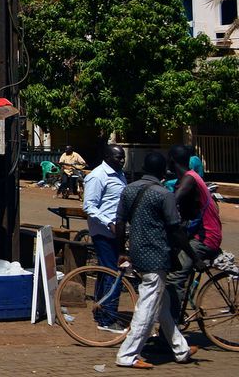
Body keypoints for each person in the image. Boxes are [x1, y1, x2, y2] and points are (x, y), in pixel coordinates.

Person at [114, 151, 197, 369]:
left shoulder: (128, 189)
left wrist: (121, 250)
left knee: (162, 305)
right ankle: (127, 355)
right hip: (157, 256)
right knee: (148, 308)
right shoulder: (164, 194)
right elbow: (175, 229)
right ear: (163, 172)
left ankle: (181, 349)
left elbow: (120, 223)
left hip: (136, 253)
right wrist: (193, 256)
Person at [166, 144, 222, 320]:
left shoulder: (188, 180)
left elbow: (171, 204)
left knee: (174, 279)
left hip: (205, 237)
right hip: (201, 232)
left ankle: (171, 332)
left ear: (172, 161)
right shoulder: (191, 176)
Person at [82, 144, 127, 332]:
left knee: (105, 273)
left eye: (123, 157)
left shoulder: (119, 175)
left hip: (116, 232)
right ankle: (108, 319)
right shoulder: (98, 176)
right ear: (108, 157)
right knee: (112, 273)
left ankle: (101, 311)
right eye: (118, 157)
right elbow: (89, 206)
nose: (122, 161)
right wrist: (109, 222)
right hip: (104, 232)